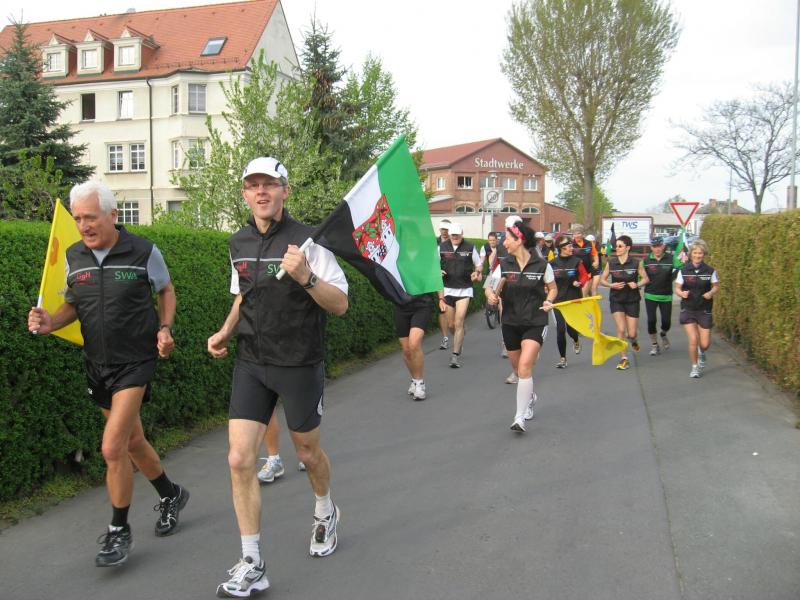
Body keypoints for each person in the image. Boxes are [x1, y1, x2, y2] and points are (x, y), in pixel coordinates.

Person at [27, 180, 188, 568]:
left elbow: (166, 290)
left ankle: (119, 531)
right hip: (97, 363)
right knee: (133, 441)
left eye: (90, 218)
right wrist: (50, 322)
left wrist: (165, 328)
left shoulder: (143, 251)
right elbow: (73, 304)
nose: (83, 226)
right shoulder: (74, 256)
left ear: (113, 215)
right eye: (78, 218)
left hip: (135, 362)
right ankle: (171, 494)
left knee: (112, 447)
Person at [208, 157, 348, 597]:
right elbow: (243, 297)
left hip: (299, 361)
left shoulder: (310, 241)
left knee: (307, 453)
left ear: (285, 190)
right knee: (238, 459)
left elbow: (340, 303)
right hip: (251, 360)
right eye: (253, 185)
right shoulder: (238, 242)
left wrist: (306, 276)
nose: (261, 192)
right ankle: (252, 562)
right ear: (245, 194)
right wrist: (225, 331)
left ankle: (325, 510)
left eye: (269, 184)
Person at [486, 221, 556, 432]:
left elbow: (552, 288)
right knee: (518, 370)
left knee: (525, 366)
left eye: (507, 239)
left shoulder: (542, 266)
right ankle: (530, 397)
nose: (504, 243)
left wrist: (549, 300)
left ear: (519, 240)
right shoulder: (503, 265)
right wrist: (490, 296)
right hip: (510, 322)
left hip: (535, 321)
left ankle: (519, 418)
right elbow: (489, 287)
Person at [599, 234, 649, 371]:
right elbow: (602, 280)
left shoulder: (636, 263)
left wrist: (637, 284)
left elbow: (645, 279)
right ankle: (624, 358)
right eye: (616, 246)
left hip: (632, 300)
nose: (617, 248)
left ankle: (633, 340)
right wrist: (611, 285)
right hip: (616, 300)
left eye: (620, 246)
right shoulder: (611, 263)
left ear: (628, 248)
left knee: (631, 333)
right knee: (621, 329)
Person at [439, 222, 482, 368]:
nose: (455, 237)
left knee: (458, 322)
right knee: (451, 324)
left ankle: (455, 355)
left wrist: (477, 271)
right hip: (448, 289)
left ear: (462, 234)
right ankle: (460, 335)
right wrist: (438, 271)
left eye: (457, 235)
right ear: (449, 235)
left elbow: (479, 264)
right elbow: (433, 264)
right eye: (453, 235)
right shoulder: (442, 247)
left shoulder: (470, 247)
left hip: (464, 289)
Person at [675, 239, 719, 379]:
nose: (697, 255)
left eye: (700, 253)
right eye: (695, 253)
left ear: (704, 254)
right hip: (688, 308)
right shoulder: (683, 270)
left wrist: (710, 293)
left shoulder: (710, 270)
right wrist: (681, 293)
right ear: (691, 254)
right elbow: (677, 288)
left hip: (704, 309)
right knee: (693, 339)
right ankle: (695, 367)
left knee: (705, 344)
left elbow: (716, 286)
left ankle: (702, 351)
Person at [395, 293, 446, 400]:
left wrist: (441, 298)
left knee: (413, 344)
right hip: (401, 305)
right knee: (407, 350)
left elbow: (435, 281)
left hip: (423, 304)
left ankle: (419, 383)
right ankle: (414, 380)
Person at [549, 235, 590, 367]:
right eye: (569, 246)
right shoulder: (552, 264)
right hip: (558, 301)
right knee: (560, 329)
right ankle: (563, 359)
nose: (572, 248)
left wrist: (580, 283)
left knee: (571, 330)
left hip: (573, 299)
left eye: (571, 245)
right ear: (562, 248)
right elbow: (548, 281)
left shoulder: (577, 261)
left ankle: (576, 339)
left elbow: (584, 276)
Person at [642, 237, 684, 355]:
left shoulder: (671, 258)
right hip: (650, 295)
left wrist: (674, 276)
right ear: (651, 247)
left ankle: (663, 333)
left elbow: (681, 268)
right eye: (654, 246)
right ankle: (654, 345)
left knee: (666, 322)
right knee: (651, 321)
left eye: (659, 246)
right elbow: (640, 276)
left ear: (663, 246)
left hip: (666, 295)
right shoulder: (646, 261)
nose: (657, 249)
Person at [571, 225, 599, 297]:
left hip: (588, 271)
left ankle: (592, 302)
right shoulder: (571, 244)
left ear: (582, 234)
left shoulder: (589, 243)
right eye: (575, 234)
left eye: (579, 233)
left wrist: (596, 261)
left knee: (585, 293)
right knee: (583, 292)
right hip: (577, 273)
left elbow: (595, 254)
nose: (577, 235)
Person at [436, 220, 452, 350]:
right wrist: (437, 271)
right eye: (442, 229)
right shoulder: (433, 242)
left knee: (454, 314)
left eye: (446, 229)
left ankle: (458, 330)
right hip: (440, 280)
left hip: (455, 281)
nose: (444, 231)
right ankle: (445, 338)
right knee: (442, 309)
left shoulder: (455, 242)